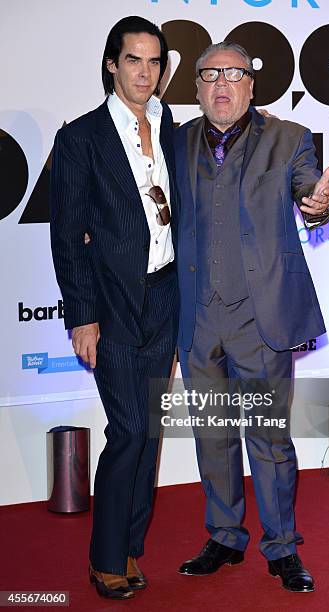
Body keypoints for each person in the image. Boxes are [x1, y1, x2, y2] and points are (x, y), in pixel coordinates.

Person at [175, 42, 329, 593]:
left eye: (234, 74)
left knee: (269, 438)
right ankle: (223, 536)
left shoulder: (289, 138)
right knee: (212, 435)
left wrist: (322, 205)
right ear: (196, 87)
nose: (222, 84)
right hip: (197, 320)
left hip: (259, 319)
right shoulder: (176, 144)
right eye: (211, 74)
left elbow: (312, 193)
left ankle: (282, 547)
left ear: (251, 85)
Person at [50, 16, 179, 600]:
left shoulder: (170, 123)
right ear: (111, 63)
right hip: (112, 303)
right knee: (128, 429)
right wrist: (81, 316)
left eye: (154, 62)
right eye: (134, 60)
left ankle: (130, 546)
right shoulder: (81, 138)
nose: (145, 73)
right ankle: (105, 560)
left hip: (166, 297)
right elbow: (66, 235)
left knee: (149, 432)